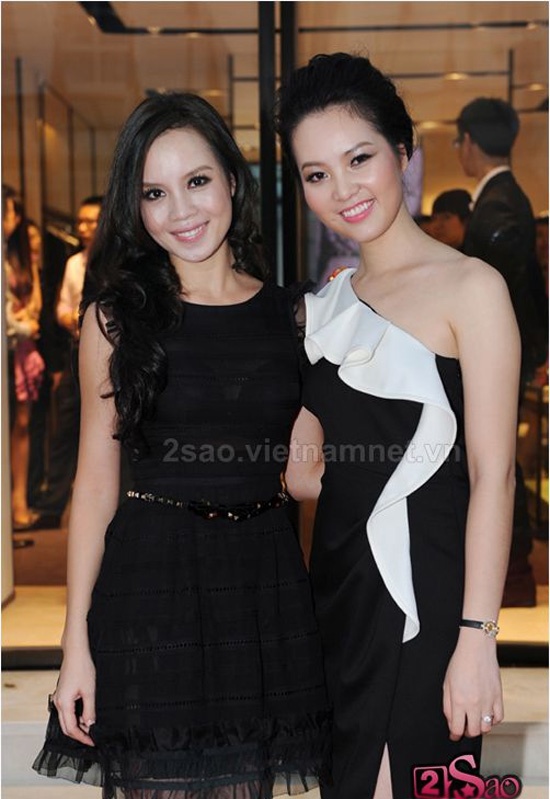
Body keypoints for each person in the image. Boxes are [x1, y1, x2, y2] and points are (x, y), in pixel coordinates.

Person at [32, 91, 330, 798]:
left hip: (262, 590)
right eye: (154, 193)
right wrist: (75, 644)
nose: (181, 210)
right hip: (151, 590)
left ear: (232, 179)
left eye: (196, 181)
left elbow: (309, 474)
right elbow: (94, 486)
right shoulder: (114, 320)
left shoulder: (296, 316)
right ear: (134, 207)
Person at [276, 53, 519, 798]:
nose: (342, 190)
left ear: (403, 152)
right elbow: (303, 474)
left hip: (431, 596)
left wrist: (477, 637)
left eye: (359, 159)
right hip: (340, 593)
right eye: (316, 174)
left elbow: (495, 476)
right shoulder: (327, 307)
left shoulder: (472, 288)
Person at [455, 97, 548, 607]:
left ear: (469, 141)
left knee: (494, 465)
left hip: (493, 360)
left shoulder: (497, 207)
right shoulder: (510, 197)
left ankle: (510, 577)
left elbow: (505, 295)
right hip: (507, 358)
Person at [31, 196, 103, 529]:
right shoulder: (74, 263)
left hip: (110, 355)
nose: (84, 228)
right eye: (81, 221)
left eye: (92, 221)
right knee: (64, 430)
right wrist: (73, 320)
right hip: (77, 348)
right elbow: (61, 306)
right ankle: (52, 507)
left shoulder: (119, 261)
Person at [3, 186, 45, 530]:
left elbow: (36, 304)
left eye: (8, 212)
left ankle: (19, 500)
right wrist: (22, 324)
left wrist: (24, 322)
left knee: (21, 424)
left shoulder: (20, 257)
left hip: (20, 350)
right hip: (13, 341)